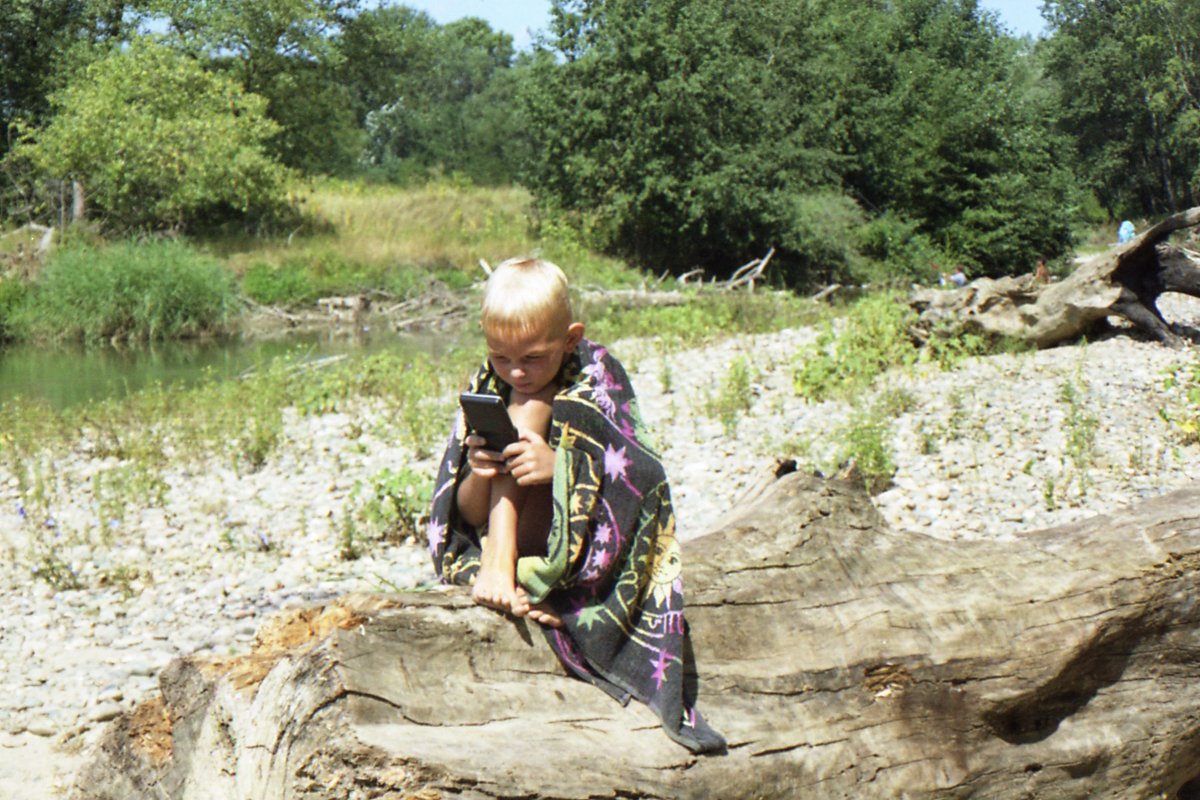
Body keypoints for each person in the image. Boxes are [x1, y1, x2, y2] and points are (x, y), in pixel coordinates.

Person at [427, 257, 725, 753]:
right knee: (518, 416)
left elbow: (641, 477)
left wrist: (559, 468)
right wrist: (480, 473)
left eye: (533, 358)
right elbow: (467, 517)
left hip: (584, 559)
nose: (516, 371)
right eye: (500, 357)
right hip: (523, 544)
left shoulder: (598, 379)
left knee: (526, 417)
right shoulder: (492, 388)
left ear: (570, 338)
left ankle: (508, 572)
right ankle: (503, 568)